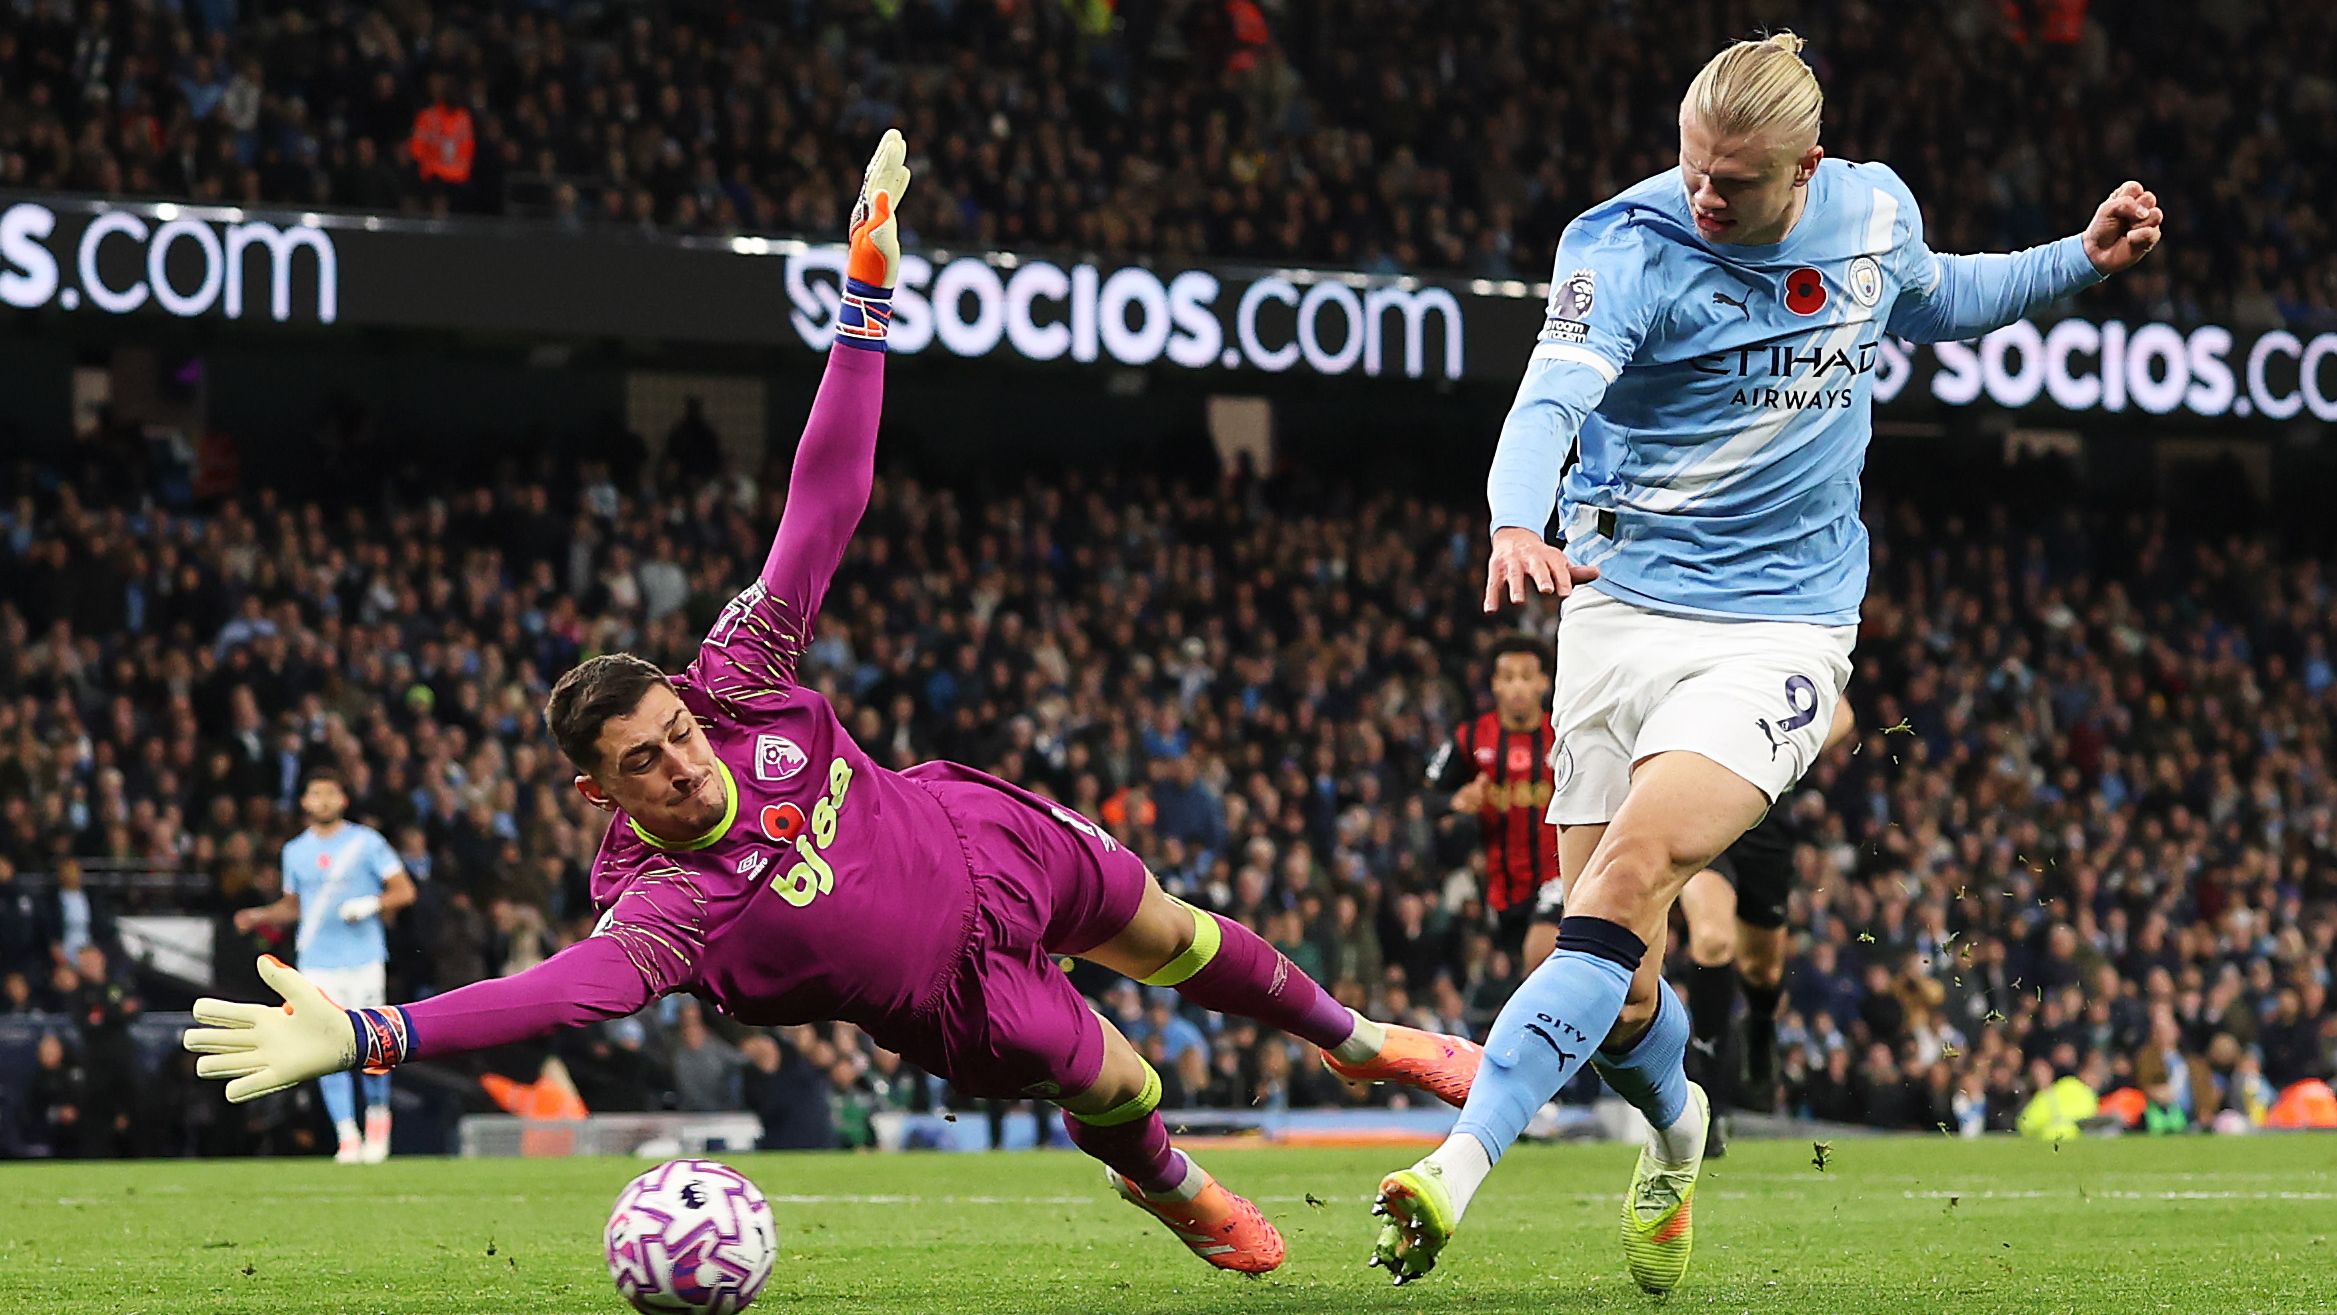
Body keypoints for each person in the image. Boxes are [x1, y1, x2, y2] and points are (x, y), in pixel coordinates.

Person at [184, 132, 1479, 1275]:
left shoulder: (737, 675)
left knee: (1176, 931)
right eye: (646, 762)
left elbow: (826, 499)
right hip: (956, 996)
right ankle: (1173, 1185)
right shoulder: (666, 899)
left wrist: (865, 298)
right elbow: (564, 992)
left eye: (677, 731)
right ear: (600, 790)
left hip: (979, 831)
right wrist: (374, 1031)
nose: (683, 761)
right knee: (1125, 1078)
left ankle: (1355, 1039)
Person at [1368, 30, 2161, 1292]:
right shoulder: (1622, 247)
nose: (1704, 193)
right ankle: (1678, 1123)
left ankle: (1453, 1170)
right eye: (1692, 165)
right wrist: (1516, 520)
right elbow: (1548, 402)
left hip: (1782, 627)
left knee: (1625, 877)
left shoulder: (1871, 214)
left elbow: (1942, 297)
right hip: (1617, 610)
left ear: (1809, 166)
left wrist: (2080, 256)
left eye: (1734, 181)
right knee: (1623, 988)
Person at [234, 768, 416, 1163]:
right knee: (328, 1048)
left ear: (343, 799)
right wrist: (259, 915)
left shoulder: (367, 843)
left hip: (364, 960)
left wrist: (372, 904)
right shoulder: (295, 851)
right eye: (316, 794)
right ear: (304, 801)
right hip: (317, 962)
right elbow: (294, 907)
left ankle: (378, 1125)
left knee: (375, 1046)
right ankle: (347, 1136)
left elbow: (405, 890)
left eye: (330, 793)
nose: (323, 801)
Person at [1425, 634, 1561, 964]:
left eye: (1526, 677)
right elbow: (1426, 799)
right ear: (1495, 684)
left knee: (1540, 956)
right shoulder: (1471, 737)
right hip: (1500, 889)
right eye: (1508, 677)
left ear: (1544, 682)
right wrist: (1455, 802)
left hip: (1557, 879)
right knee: (1516, 972)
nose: (1517, 687)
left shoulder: (1563, 736)